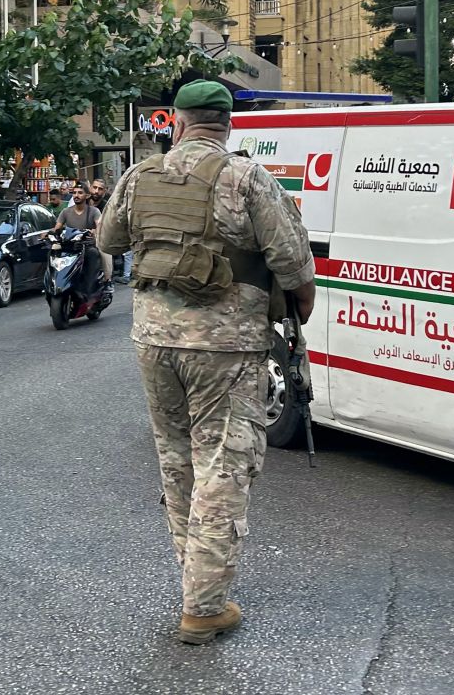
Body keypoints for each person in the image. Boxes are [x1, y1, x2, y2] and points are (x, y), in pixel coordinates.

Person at [99, 80, 315, 646]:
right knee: (223, 461)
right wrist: (299, 309)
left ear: (175, 120)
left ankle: (195, 583)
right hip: (228, 344)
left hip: (154, 338)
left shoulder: (140, 175)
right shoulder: (247, 178)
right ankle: (203, 604)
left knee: (176, 460)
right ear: (227, 123)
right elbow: (293, 264)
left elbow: (109, 237)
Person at [54, 182, 112, 290]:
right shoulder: (66, 212)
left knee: (98, 252)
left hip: (87, 245)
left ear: (87, 196)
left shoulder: (94, 211)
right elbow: (57, 227)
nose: (76, 195)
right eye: (74, 193)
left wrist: (95, 231)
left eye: (80, 193)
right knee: (53, 251)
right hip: (70, 246)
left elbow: (99, 225)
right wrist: (49, 233)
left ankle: (106, 280)